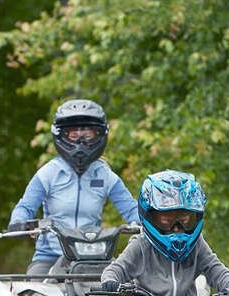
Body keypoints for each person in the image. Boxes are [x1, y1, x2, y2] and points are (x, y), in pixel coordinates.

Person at [99, 170, 229, 296]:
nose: (177, 228)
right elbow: (115, 270)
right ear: (149, 216)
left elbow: (216, 269)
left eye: (184, 219)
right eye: (167, 219)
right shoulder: (141, 245)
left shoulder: (197, 245)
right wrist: (111, 282)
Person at [9, 99, 138, 275]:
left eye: (87, 133)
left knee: (125, 288)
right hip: (50, 257)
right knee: (33, 293)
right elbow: (25, 206)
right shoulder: (48, 174)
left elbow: (131, 209)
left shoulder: (105, 175)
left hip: (96, 256)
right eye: (73, 133)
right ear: (61, 135)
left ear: (99, 134)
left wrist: (144, 223)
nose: (80, 139)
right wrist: (18, 221)